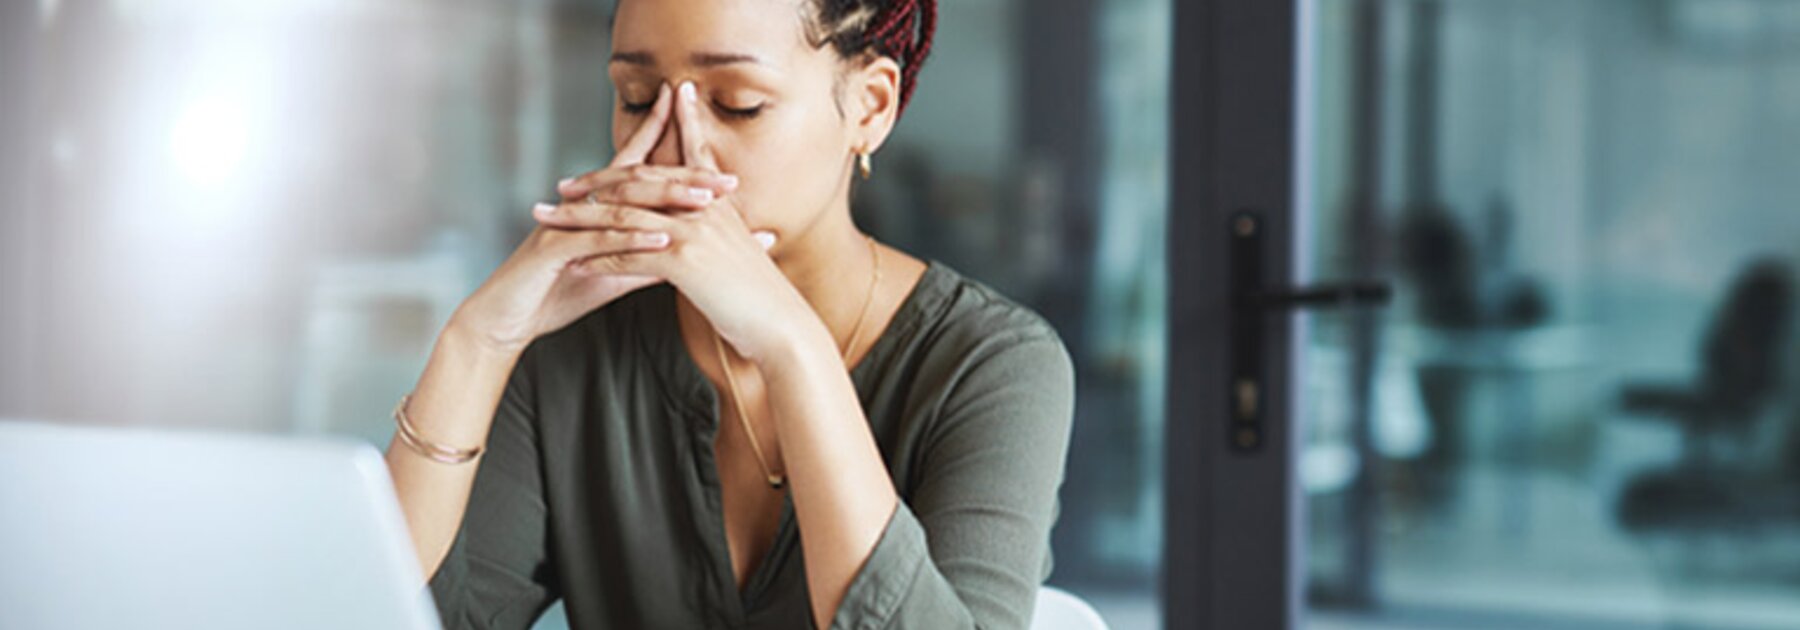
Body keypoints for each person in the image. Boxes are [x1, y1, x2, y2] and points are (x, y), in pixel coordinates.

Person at [380, 1, 1076, 628]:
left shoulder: (992, 365)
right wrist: (478, 341)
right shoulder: (574, 344)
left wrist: (792, 348)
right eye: (636, 98)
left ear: (870, 108)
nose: (676, 149)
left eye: (738, 105)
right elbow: (403, 615)